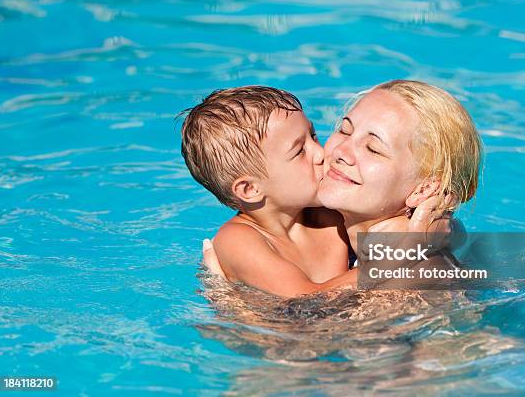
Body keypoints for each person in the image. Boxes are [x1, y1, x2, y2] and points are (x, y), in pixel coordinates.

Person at [202, 80, 482, 293]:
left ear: (423, 189)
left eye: (373, 148)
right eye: (345, 130)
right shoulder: (330, 216)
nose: (332, 152)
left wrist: (233, 307)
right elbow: (309, 303)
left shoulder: (416, 261)